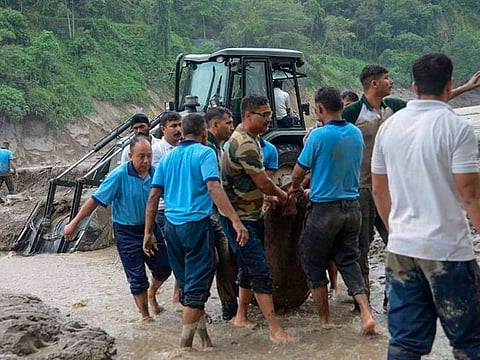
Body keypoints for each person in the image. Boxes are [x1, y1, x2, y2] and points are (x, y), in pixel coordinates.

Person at [342, 63, 480, 311]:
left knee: (395, 240)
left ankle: (390, 298)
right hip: (361, 188)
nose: (391, 81)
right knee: (361, 247)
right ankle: (360, 302)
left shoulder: (393, 107)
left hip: (389, 188)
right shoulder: (352, 111)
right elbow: (335, 138)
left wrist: (465, 89)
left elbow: (430, 103)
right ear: (374, 83)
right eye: (387, 78)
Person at [372, 53, 480, 359]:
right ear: (450, 85)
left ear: (414, 86)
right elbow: (471, 196)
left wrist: (397, 232)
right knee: (470, 342)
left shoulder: (389, 127)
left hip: (402, 249)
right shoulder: (456, 128)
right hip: (447, 252)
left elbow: (379, 189)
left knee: (405, 343)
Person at [143, 113, 248, 348]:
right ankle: (184, 349)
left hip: (171, 228)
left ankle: (206, 342)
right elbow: (213, 186)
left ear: (182, 133)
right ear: (204, 134)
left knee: (190, 290)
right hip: (197, 227)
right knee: (195, 294)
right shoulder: (205, 153)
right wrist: (235, 220)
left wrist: (148, 232)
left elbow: (153, 197)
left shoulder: (168, 158)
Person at [288, 87, 375, 335]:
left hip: (324, 212)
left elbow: (298, 172)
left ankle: (325, 319)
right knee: (349, 260)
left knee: (313, 261)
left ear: (319, 109)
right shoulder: (355, 134)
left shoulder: (318, 136)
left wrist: (295, 189)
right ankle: (366, 315)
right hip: (352, 207)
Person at [64, 135, 171, 321]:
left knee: (164, 267)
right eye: (141, 156)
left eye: (149, 155)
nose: (146, 161)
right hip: (126, 231)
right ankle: (146, 317)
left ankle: (152, 294)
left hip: (150, 229)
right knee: (137, 279)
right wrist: (74, 223)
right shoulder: (119, 175)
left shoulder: (156, 173)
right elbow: (95, 200)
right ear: (130, 156)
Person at [221, 94, 293, 342]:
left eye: (270, 114)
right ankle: (274, 329)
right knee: (260, 270)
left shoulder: (253, 138)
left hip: (249, 212)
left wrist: (268, 197)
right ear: (248, 115)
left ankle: (240, 316)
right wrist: (282, 195)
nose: (269, 119)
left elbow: (255, 183)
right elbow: (263, 182)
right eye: (264, 115)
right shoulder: (245, 143)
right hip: (240, 219)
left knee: (247, 267)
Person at [205, 106, 239, 321]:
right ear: (215, 125)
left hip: (212, 212)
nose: (232, 127)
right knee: (221, 257)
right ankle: (227, 304)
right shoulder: (207, 149)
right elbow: (213, 186)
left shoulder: (218, 147)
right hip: (209, 213)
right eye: (228, 123)